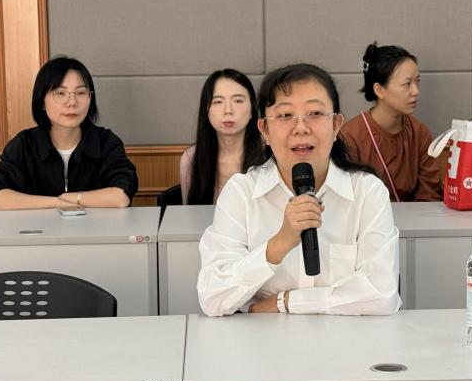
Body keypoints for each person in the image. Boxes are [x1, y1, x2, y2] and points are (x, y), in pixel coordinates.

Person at [198, 63, 402, 317]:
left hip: (346, 340)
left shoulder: (366, 192)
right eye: (285, 115)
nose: (301, 127)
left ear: (336, 124)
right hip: (262, 341)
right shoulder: (241, 193)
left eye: (315, 113)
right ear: (265, 130)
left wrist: (285, 302)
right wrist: (278, 245)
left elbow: (382, 295)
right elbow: (213, 298)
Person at [0, 56, 138, 210]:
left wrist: (73, 198)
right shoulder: (25, 144)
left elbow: (120, 196)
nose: (72, 102)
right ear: (42, 101)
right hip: (37, 227)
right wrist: (56, 202)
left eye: (81, 93)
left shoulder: (105, 142)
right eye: (60, 93)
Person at [339, 42, 442, 202]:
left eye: (417, 82)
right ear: (379, 90)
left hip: (416, 216)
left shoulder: (420, 133)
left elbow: (429, 194)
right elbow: (348, 197)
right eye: (407, 84)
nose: (416, 91)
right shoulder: (350, 137)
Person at [179, 69, 263, 204]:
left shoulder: (270, 155)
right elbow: (190, 213)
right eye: (218, 102)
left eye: (238, 101)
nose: (228, 110)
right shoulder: (191, 159)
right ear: (206, 110)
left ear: (252, 110)